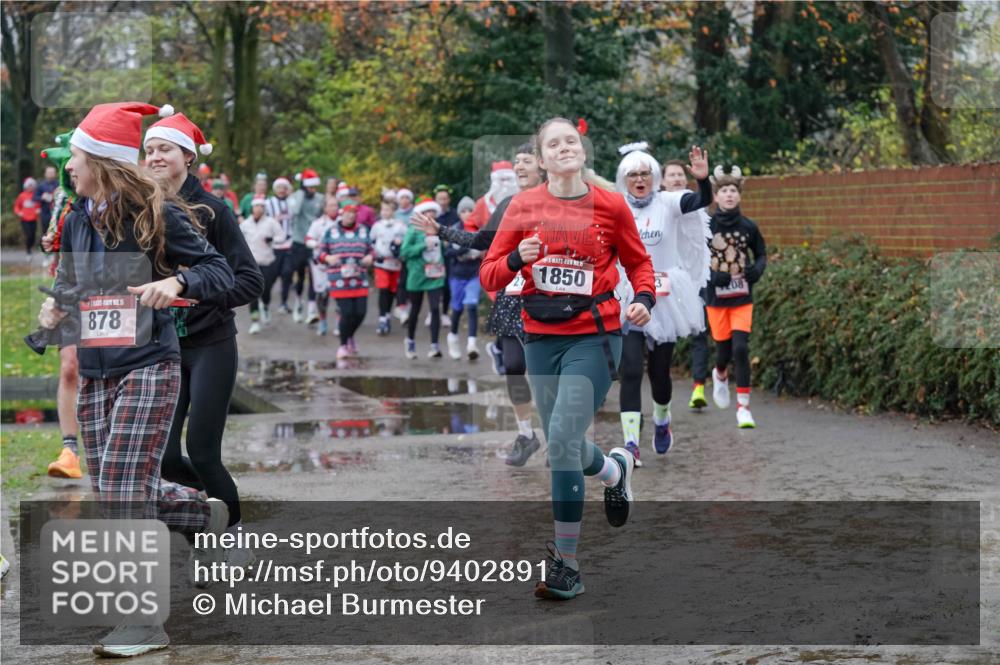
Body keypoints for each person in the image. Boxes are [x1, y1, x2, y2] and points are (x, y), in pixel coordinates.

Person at [38, 101, 234, 657]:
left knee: (123, 489)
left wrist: (177, 284)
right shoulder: (78, 218)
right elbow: (73, 283)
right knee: (117, 488)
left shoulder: (157, 214)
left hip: (150, 364)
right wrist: (55, 309)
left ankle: (143, 623)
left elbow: (219, 271)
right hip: (99, 368)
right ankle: (202, 511)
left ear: (101, 160)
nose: (68, 167)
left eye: (75, 157)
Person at [479, 118, 652, 599]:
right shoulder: (522, 206)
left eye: (570, 141)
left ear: (581, 150)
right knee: (566, 445)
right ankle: (616, 471)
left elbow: (638, 261)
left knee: (559, 437)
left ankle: (566, 565)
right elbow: (490, 275)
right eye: (553, 144)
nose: (564, 148)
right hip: (539, 337)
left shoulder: (610, 204)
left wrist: (644, 296)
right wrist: (518, 259)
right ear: (540, 158)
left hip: (594, 336)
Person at [143, 112, 264, 565]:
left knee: (202, 451)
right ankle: (203, 533)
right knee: (167, 455)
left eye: (164, 149)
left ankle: (234, 533)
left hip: (211, 343)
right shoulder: (140, 207)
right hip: (163, 348)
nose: (154, 157)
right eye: (149, 150)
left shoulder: (214, 210)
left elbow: (250, 280)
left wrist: (197, 295)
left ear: (187, 158)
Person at [411, 143, 544, 465]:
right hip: (514, 297)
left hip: (550, 298)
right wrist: (441, 230)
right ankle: (526, 434)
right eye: (516, 161)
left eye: (526, 161)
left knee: (546, 372)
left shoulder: (561, 204)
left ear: (543, 166)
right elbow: (483, 240)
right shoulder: (511, 204)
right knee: (513, 367)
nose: (519, 166)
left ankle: (560, 436)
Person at [614, 144, 712, 465]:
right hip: (628, 295)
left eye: (645, 174)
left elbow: (700, 201)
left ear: (654, 177)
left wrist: (703, 181)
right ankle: (630, 444)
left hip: (663, 297)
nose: (639, 179)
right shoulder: (616, 208)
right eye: (633, 175)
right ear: (623, 179)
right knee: (629, 368)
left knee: (659, 375)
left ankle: (661, 418)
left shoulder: (668, 202)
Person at [705, 165, 767, 428]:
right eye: (724, 190)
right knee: (724, 351)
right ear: (716, 196)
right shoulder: (707, 225)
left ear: (739, 195)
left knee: (741, 349)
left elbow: (762, 253)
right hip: (717, 298)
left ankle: (743, 408)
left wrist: (757, 270)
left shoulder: (748, 227)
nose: (729, 195)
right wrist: (710, 274)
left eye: (733, 190)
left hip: (742, 296)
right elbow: (693, 257)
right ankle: (719, 373)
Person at [39, 131, 83, 478]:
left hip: (109, 296)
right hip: (66, 291)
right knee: (69, 366)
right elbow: (52, 241)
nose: (67, 170)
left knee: (101, 370)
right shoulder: (61, 198)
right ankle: (69, 450)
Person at [660, 159, 713, 411]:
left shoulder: (693, 201)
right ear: (662, 181)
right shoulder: (658, 205)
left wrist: (703, 179)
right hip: (666, 278)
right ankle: (659, 388)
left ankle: (698, 387)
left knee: (700, 333)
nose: (677, 179)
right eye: (671, 175)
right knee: (662, 337)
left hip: (695, 277)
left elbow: (704, 199)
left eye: (681, 174)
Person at [316, 201, 374, 358]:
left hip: (359, 278)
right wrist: (327, 257)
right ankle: (343, 346)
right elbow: (319, 253)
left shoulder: (363, 231)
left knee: (361, 313)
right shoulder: (332, 231)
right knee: (347, 313)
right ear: (342, 214)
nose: (351, 215)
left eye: (354, 213)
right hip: (339, 280)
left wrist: (370, 256)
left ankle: (349, 335)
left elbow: (372, 250)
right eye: (348, 212)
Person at [400, 196, 446, 359]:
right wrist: (422, 246)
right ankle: (410, 341)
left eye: (433, 211)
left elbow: (443, 252)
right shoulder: (413, 230)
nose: (431, 214)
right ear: (420, 213)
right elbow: (404, 252)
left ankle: (434, 345)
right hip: (417, 275)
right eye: (427, 211)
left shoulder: (440, 229)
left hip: (436, 275)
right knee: (415, 311)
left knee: (435, 309)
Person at [444, 196, 481, 360]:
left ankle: (472, 344)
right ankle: (453, 337)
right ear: (459, 214)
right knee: (457, 309)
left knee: (472, 306)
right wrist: (461, 251)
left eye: (470, 210)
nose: (467, 214)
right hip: (457, 275)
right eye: (463, 211)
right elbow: (447, 253)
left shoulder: (479, 230)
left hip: (474, 273)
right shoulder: (455, 230)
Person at [240, 197, 284, 333]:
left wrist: (272, 239)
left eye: (261, 206)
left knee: (266, 290)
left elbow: (281, 237)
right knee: (252, 293)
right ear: (252, 208)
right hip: (251, 264)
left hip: (267, 261)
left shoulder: (271, 223)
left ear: (264, 209)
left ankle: (265, 305)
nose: (259, 209)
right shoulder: (245, 224)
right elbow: (238, 240)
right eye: (256, 206)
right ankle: (255, 321)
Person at [289, 168, 325, 324]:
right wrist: (302, 193)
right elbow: (295, 212)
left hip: (313, 242)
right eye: (310, 187)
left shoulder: (320, 198)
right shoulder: (296, 196)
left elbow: (320, 216)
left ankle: (311, 310)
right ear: (304, 186)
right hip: (299, 241)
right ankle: (298, 302)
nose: (313, 190)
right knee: (300, 275)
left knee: (313, 275)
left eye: (314, 187)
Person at [370, 198, 406, 335]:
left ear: (394, 211)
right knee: (383, 290)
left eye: (387, 209)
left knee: (392, 291)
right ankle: (382, 318)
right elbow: (371, 240)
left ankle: (387, 315)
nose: (384, 212)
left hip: (395, 263)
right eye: (383, 209)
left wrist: (400, 243)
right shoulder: (377, 225)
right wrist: (374, 252)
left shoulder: (400, 226)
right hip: (381, 262)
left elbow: (406, 240)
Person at [305, 197, 340, 336]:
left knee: (339, 295)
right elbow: (308, 239)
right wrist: (316, 244)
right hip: (320, 265)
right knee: (322, 295)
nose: (334, 208)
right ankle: (323, 322)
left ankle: (339, 324)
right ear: (325, 208)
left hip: (337, 264)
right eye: (331, 205)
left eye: (336, 205)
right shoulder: (318, 223)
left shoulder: (342, 222)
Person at [266, 177, 295, 313]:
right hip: (274, 245)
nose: (282, 190)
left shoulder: (292, 203)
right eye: (279, 187)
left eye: (284, 187)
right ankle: (265, 301)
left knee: (287, 274)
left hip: (289, 244)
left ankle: (283, 303)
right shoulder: (268, 203)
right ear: (275, 189)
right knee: (271, 276)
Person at [14, 177, 40, 255]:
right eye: (29, 185)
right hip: (25, 219)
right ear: (25, 186)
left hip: (33, 218)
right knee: (28, 235)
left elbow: (38, 205)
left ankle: (30, 247)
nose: (30, 187)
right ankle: (28, 249)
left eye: (32, 186)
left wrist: (38, 210)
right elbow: (16, 206)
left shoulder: (35, 195)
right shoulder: (21, 196)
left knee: (33, 236)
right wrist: (19, 212)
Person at [34, 165, 60, 233]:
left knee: (57, 232)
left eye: (52, 172)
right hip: (45, 213)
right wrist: (42, 197)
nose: (51, 174)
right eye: (49, 172)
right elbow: (34, 198)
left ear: (55, 173)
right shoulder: (41, 185)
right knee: (45, 231)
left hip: (57, 212)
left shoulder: (59, 184)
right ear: (45, 174)